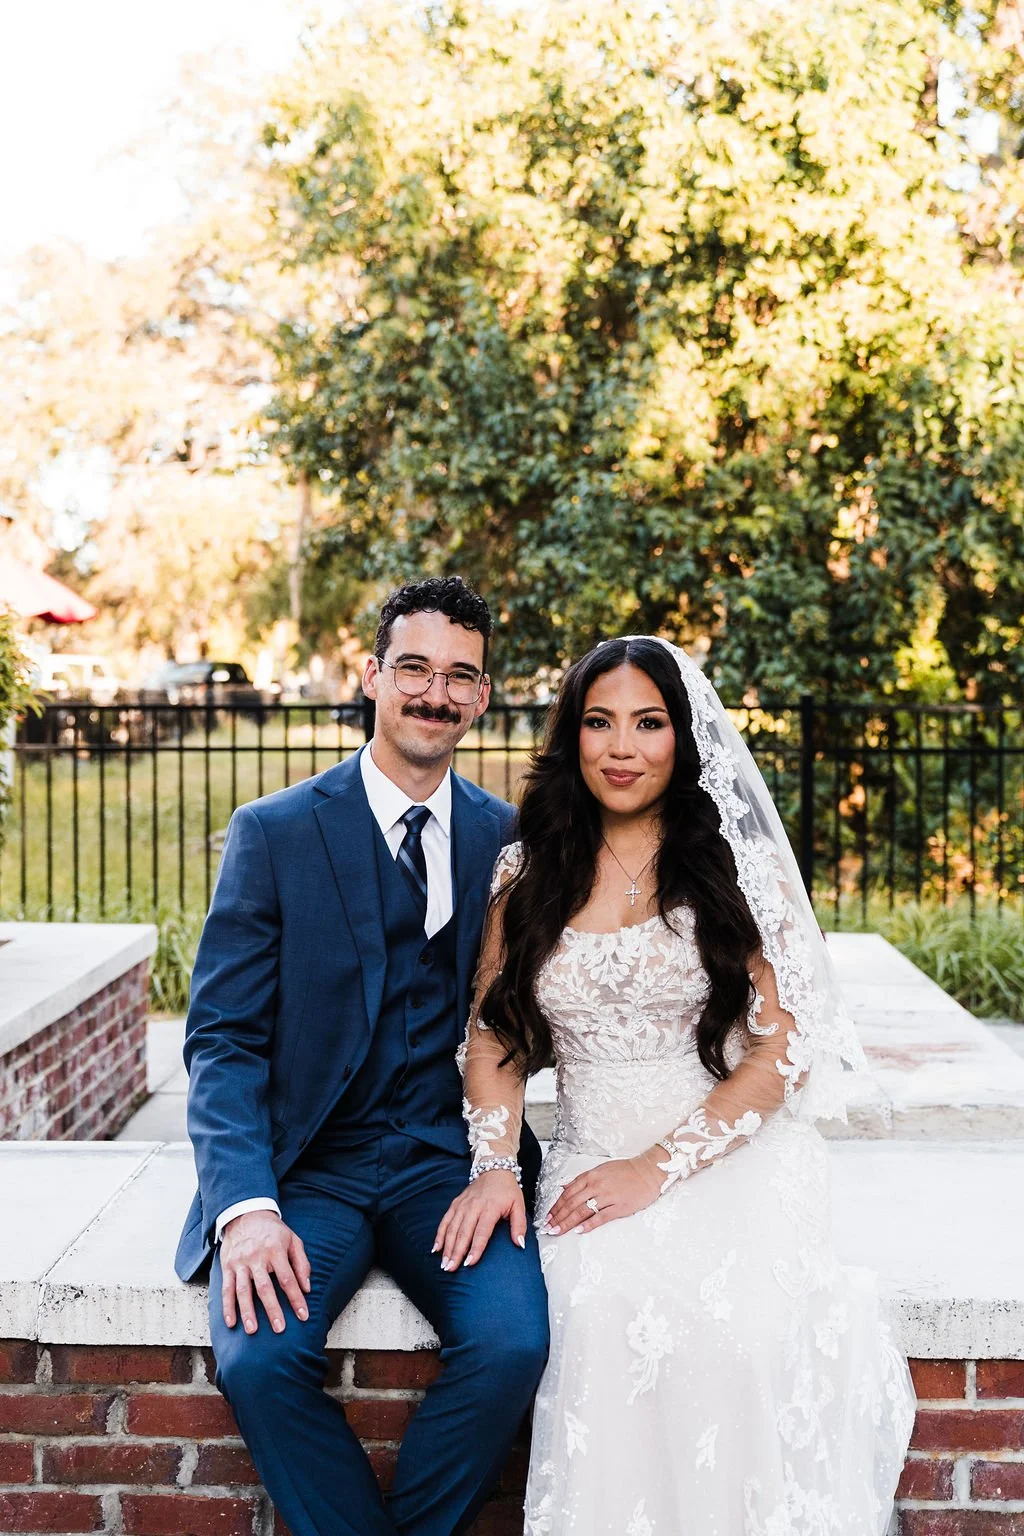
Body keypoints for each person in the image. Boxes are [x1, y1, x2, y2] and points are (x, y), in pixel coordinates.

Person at [438, 635, 916, 1535]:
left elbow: (782, 1054)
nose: (622, 748)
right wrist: (495, 1163)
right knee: (594, 1306)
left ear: (684, 737)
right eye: (600, 723)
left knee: (741, 1332)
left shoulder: (740, 871)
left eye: (648, 724)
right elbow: (496, 1036)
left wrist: (656, 1169)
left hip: (727, 1150)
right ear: (572, 738)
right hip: (588, 1157)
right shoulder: (528, 871)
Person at [175, 577, 549, 1536]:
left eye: (459, 676)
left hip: (446, 1167)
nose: (435, 694)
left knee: (513, 1343)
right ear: (373, 674)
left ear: (482, 695)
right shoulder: (276, 831)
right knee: (257, 1358)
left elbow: (521, 1018)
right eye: (415, 668)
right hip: (312, 1170)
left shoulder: (508, 839)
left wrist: (499, 1163)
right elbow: (220, 1039)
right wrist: (247, 1209)